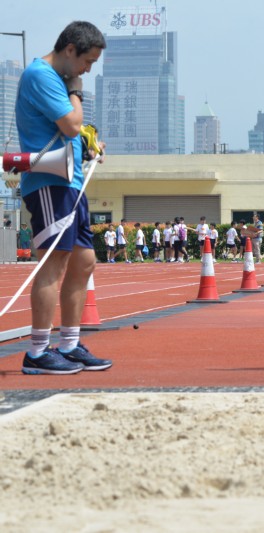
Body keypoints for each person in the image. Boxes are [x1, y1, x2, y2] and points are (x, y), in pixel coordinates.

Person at [15, 21, 111, 374]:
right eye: (87, 61)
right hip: (49, 183)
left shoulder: (57, 78)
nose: (87, 70)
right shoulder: (41, 76)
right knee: (53, 263)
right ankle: (37, 352)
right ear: (69, 49)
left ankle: (69, 344)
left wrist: (88, 143)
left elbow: (75, 132)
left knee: (84, 262)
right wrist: (77, 92)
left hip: (70, 182)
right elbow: (70, 124)